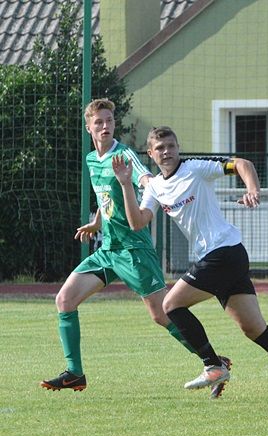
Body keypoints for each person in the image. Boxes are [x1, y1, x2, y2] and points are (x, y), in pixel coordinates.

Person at [113, 126, 268, 400]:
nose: (167, 152)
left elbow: (242, 163)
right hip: (221, 259)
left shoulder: (195, 168)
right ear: (150, 154)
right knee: (255, 329)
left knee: (170, 305)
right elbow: (138, 222)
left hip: (224, 252)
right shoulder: (154, 186)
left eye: (171, 146)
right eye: (160, 148)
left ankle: (213, 365)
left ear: (178, 148)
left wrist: (252, 189)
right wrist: (124, 184)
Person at [39, 99, 220, 395]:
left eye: (109, 120)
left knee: (162, 315)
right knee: (64, 300)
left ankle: (213, 360)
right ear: (89, 128)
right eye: (99, 122)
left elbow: (145, 180)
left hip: (134, 250)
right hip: (109, 249)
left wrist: (149, 183)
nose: (106, 126)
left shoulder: (123, 155)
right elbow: (104, 198)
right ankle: (75, 373)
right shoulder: (90, 159)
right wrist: (98, 222)